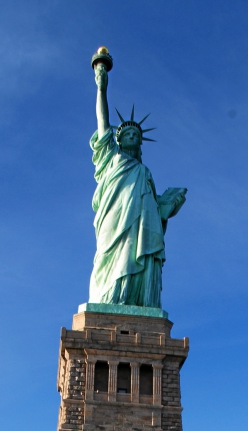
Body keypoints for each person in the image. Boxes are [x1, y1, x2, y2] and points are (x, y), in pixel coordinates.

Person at [89, 60, 187, 308]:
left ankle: (138, 303)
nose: (132, 137)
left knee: (139, 256)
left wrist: (168, 206)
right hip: (115, 221)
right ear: (119, 141)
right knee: (109, 260)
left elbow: (155, 208)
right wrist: (101, 88)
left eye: (136, 135)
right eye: (126, 135)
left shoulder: (145, 172)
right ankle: (111, 300)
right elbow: (103, 124)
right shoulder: (111, 158)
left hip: (143, 227)